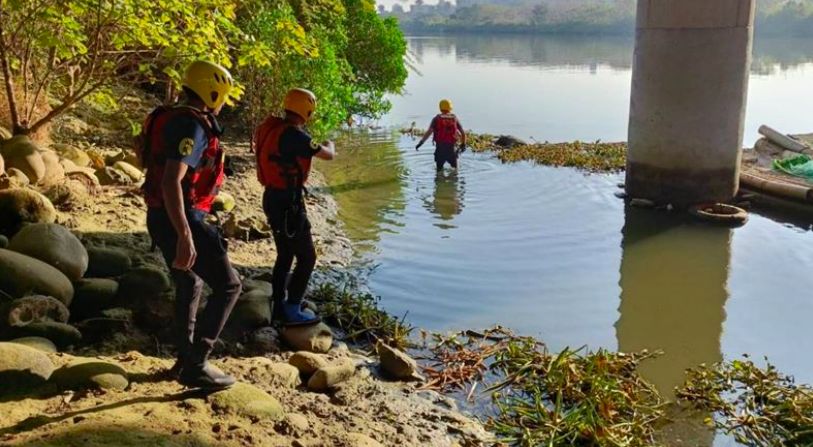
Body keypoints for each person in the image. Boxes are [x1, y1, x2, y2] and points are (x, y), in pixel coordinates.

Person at [140, 60, 242, 389]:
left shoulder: (168, 115)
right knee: (229, 285)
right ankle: (197, 363)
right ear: (211, 93)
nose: (223, 103)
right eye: (222, 96)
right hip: (181, 217)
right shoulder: (194, 126)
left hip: (158, 216)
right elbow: (172, 180)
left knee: (191, 284)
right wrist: (185, 234)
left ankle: (184, 360)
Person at [254, 88, 336, 327]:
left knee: (285, 253)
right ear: (307, 110)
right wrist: (330, 143)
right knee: (307, 256)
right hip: (289, 204)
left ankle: (278, 303)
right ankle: (292, 308)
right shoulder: (295, 136)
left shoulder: (272, 128)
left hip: (271, 197)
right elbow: (328, 155)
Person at [415, 99, 467, 171]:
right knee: (455, 172)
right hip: (451, 150)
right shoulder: (454, 118)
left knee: (439, 172)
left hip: (440, 150)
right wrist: (463, 144)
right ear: (450, 108)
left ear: (440, 108)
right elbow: (463, 133)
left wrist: (420, 143)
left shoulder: (436, 119)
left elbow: (429, 132)